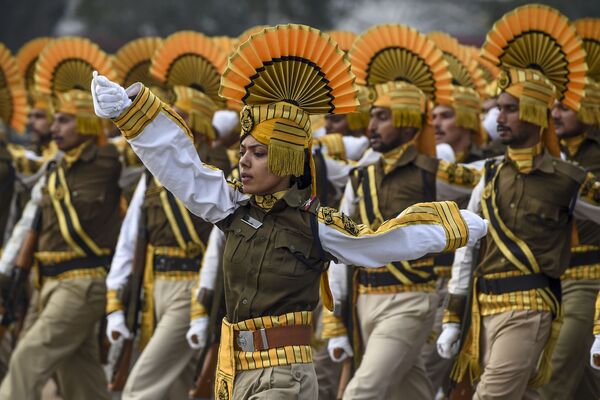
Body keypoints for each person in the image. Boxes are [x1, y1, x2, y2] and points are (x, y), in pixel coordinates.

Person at [92, 24, 487, 399]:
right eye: (243, 151)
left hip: (284, 376)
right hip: (235, 372)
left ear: (285, 158)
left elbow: (378, 243)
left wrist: (448, 228)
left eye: (258, 154)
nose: (244, 162)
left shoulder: (314, 225)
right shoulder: (233, 207)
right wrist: (131, 114)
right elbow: (182, 168)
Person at [436, 5, 600, 399]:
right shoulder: (488, 174)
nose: (500, 118)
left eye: (511, 109)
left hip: (531, 305)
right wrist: (454, 318)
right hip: (482, 308)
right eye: (500, 108)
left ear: (533, 112)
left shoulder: (568, 179)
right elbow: (467, 248)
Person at [105, 31, 233, 400]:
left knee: (141, 387)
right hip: (152, 284)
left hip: (192, 285)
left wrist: (203, 300)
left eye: (184, 120)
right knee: (174, 387)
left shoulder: (223, 172)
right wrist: (117, 300)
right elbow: (131, 238)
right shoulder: (154, 173)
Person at [0, 36, 118, 400]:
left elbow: (149, 152)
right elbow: (27, 223)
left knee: (25, 361)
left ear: (84, 121)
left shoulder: (111, 161)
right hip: (48, 284)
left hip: (82, 283)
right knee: (83, 383)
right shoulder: (54, 167)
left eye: (64, 121)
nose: (54, 128)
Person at [540, 18, 600, 399]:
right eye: (552, 107)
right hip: (554, 276)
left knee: (555, 372)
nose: (556, 114)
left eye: (565, 106)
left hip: (590, 277)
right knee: (583, 383)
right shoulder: (550, 154)